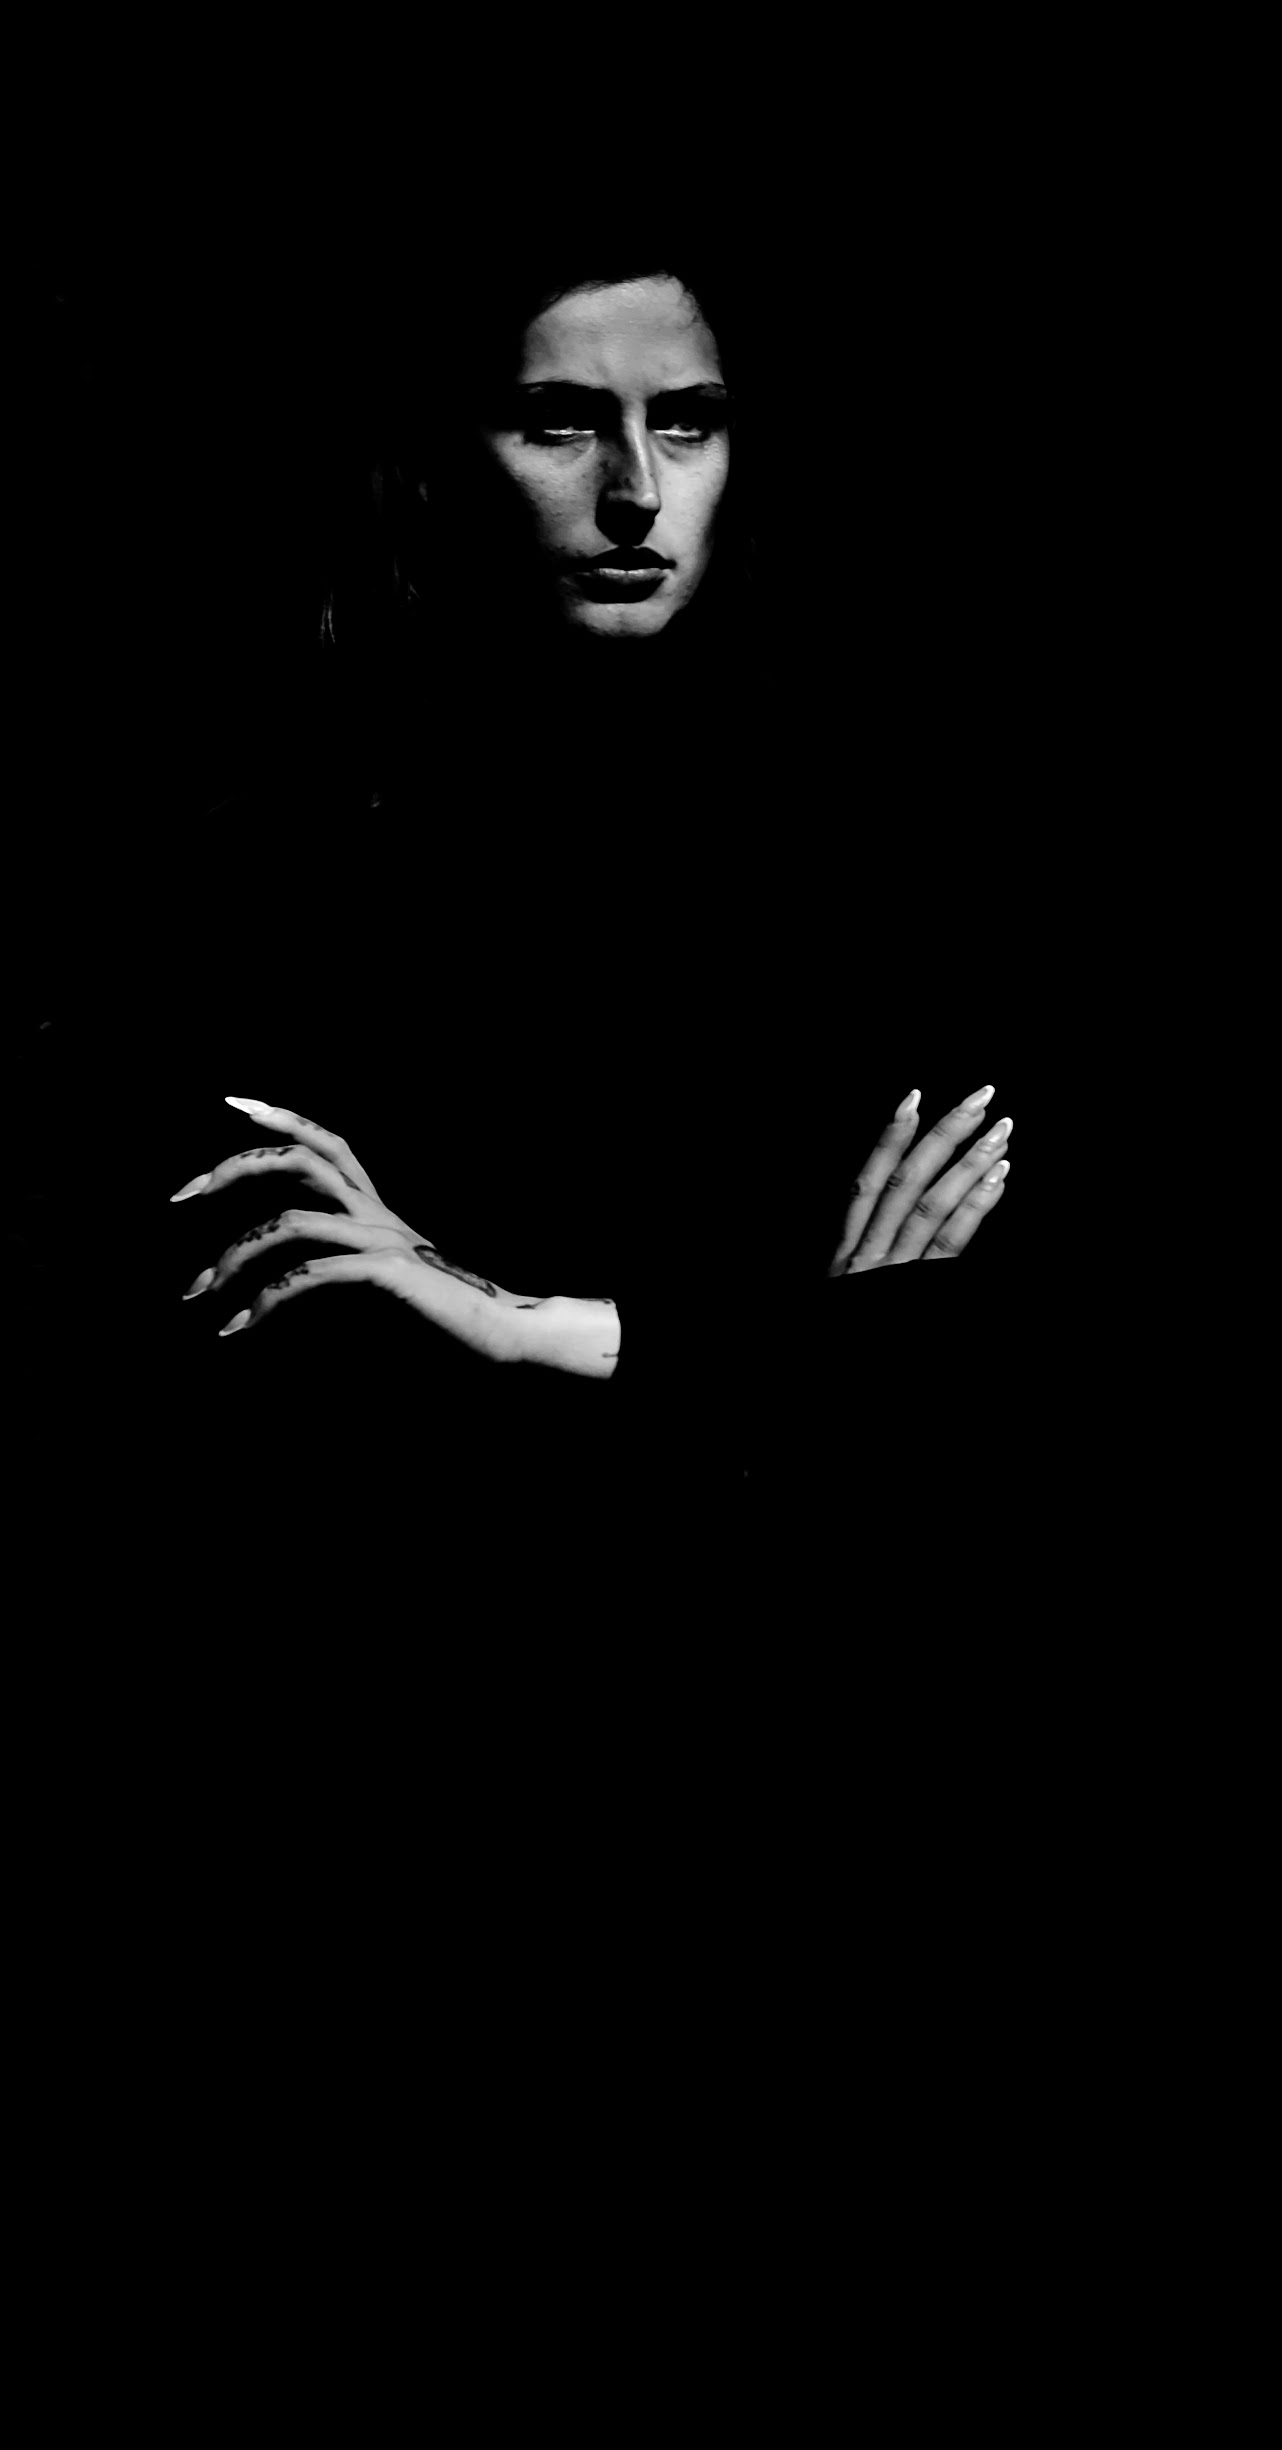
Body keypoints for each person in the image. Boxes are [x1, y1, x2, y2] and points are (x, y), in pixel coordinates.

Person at [148, 236, 1017, 1527]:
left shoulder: (889, 859)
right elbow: (296, 1353)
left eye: (688, 422)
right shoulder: (275, 876)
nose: (635, 492)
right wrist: (805, 1343)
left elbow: (997, 1358)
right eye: (558, 424)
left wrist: (537, 1327)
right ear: (438, 457)